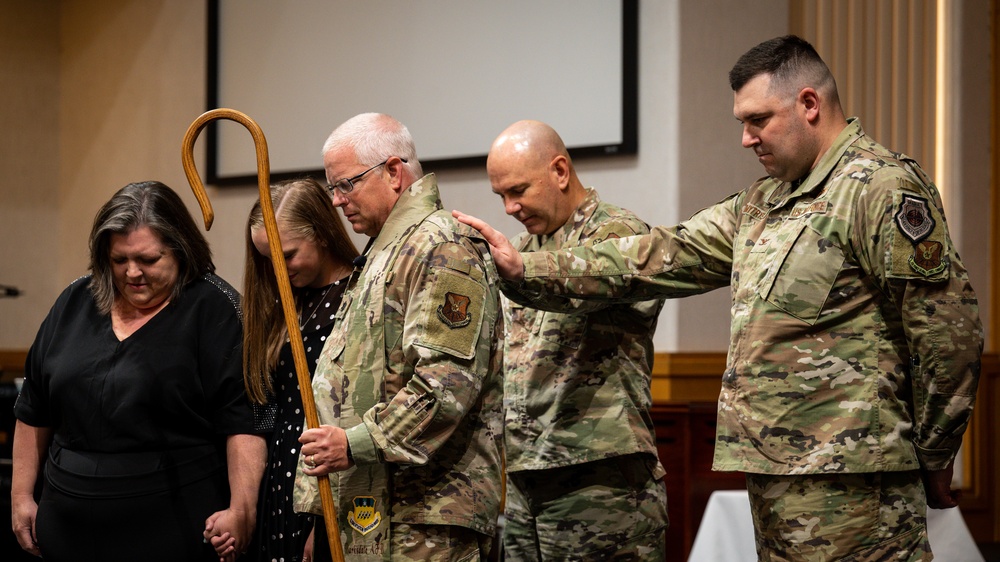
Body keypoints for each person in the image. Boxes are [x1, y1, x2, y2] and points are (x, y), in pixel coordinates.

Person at [454, 36, 983, 561]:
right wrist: (529, 267)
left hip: (858, 485)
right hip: (773, 476)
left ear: (809, 104)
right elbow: (658, 254)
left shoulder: (878, 187)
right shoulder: (760, 205)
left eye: (758, 120)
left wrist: (934, 452)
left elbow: (947, 333)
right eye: (742, 124)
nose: (747, 139)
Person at [11, 181, 265, 562]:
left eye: (148, 260)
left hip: (171, 527)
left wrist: (242, 509)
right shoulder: (74, 301)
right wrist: (20, 497)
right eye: (118, 260)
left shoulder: (216, 309)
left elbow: (244, 422)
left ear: (181, 252)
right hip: (67, 525)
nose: (132, 273)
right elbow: (33, 409)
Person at [292, 113, 504, 561]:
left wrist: (354, 444)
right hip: (374, 509)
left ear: (393, 171)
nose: (336, 201)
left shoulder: (444, 246)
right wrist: (322, 509)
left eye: (345, 184)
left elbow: (445, 388)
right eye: (332, 188)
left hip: (427, 515)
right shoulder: (387, 250)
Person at [485, 120, 668, 560]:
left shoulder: (619, 234)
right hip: (527, 475)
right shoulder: (522, 249)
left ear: (560, 172)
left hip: (598, 478)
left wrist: (521, 273)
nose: (510, 207)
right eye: (501, 197)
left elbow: (583, 288)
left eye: (518, 191)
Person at [242, 178, 359, 562]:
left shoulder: (356, 297)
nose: (277, 268)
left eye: (287, 255)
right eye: (266, 259)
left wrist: (321, 520)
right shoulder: (284, 302)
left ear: (323, 235)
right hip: (281, 471)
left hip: (327, 475)